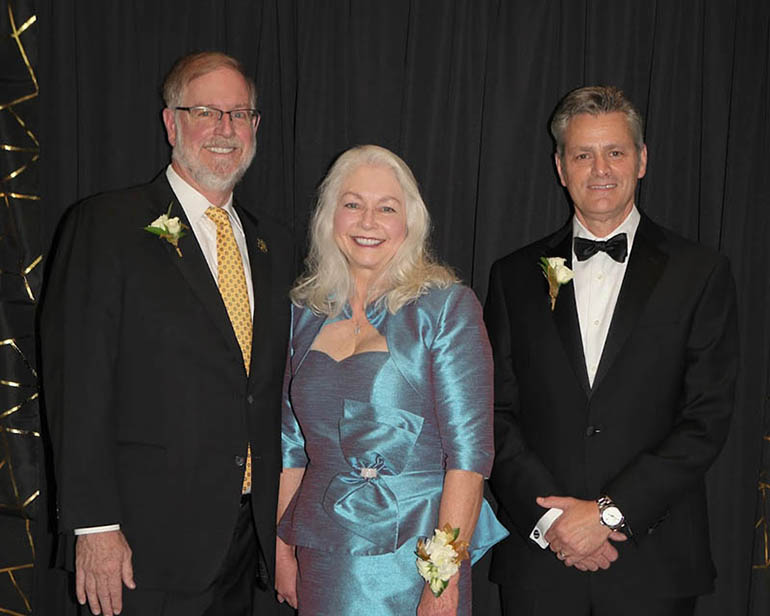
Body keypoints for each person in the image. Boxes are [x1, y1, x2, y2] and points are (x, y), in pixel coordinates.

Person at [41, 51, 295, 616]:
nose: (225, 129)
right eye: (206, 111)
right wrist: (95, 526)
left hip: (242, 544)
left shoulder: (275, 246)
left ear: (256, 127)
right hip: (138, 547)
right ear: (171, 122)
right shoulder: (107, 225)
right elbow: (77, 383)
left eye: (239, 114)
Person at [485, 85, 738, 615]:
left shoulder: (701, 273)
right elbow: (493, 415)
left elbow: (706, 418)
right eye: (582, 154)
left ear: (641, 159)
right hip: (540, 564)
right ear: (560, 166)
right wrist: (555, 523)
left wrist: (608, 515)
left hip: (654, 561)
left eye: (615, 151)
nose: (599, 168)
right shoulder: (512, 276)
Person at [273, 144, 508, 615]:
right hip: (320, 554)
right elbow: (291, 446)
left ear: (410, 222)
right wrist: (282, 551)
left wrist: (441, 583)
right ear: (330, 216)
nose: (367, 221)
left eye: (386, 208)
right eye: (353, 204)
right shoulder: (304, 313)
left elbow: (469, 458)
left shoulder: (445, 308)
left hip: (416, 559)